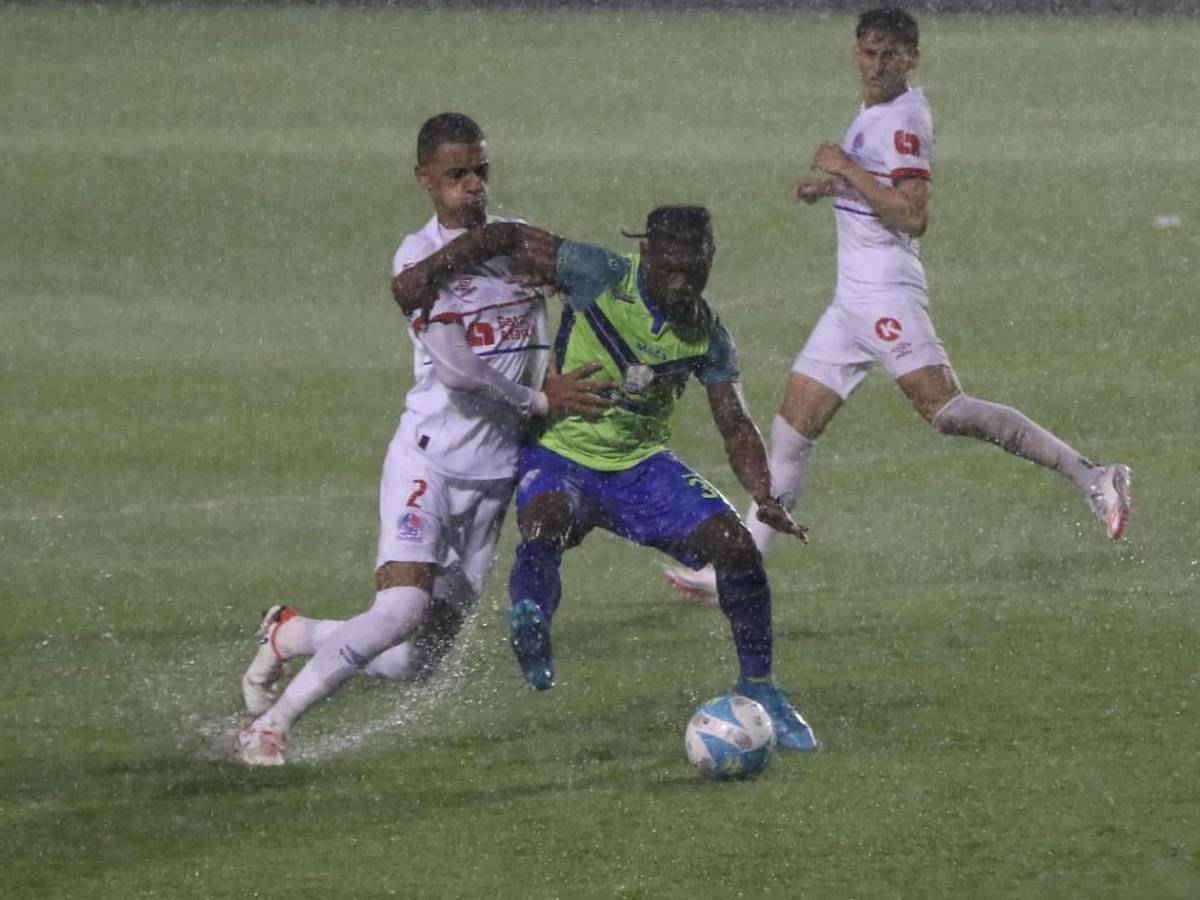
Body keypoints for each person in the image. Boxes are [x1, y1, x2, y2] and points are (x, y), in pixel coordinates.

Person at [664, 7, 1132, 600]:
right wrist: (831, 186)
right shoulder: (878, 111)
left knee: (948, 413)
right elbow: (880, 188)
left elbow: (912, 216)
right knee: (790, 435)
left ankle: (1093, 475)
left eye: (891, 54)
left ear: (913, 57)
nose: (878, 65)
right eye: (868, 52)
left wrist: (845, 167)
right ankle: (734, 572)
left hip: (885, 296)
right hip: (850, 306)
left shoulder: (903, 119)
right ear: (854, 53)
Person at [235, 112, 611, 766]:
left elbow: (597, 280)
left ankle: (292, 633)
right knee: (402, 608)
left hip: (492, 480)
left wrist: (567, 282)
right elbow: (460, 370)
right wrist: (538, 399)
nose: (472, 186)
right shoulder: (420, 260)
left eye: (481, 172)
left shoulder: (518, 247)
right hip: (429, 463)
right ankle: (271, 726)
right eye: (456, 174)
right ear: (425, 180)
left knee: (413, 661)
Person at [456, 205, 820, 752]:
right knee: (544, 524)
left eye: (695, 270)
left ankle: (761, 688)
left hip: (640, 467)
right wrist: (423, 274)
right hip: (561, 453)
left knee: (737, 547)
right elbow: (508, 235)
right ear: (646, 253)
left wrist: (763, 495)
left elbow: (734, 422)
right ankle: (530, 621)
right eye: (671, 267)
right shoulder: (597, 273)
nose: (683, 282)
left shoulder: (706, 334)